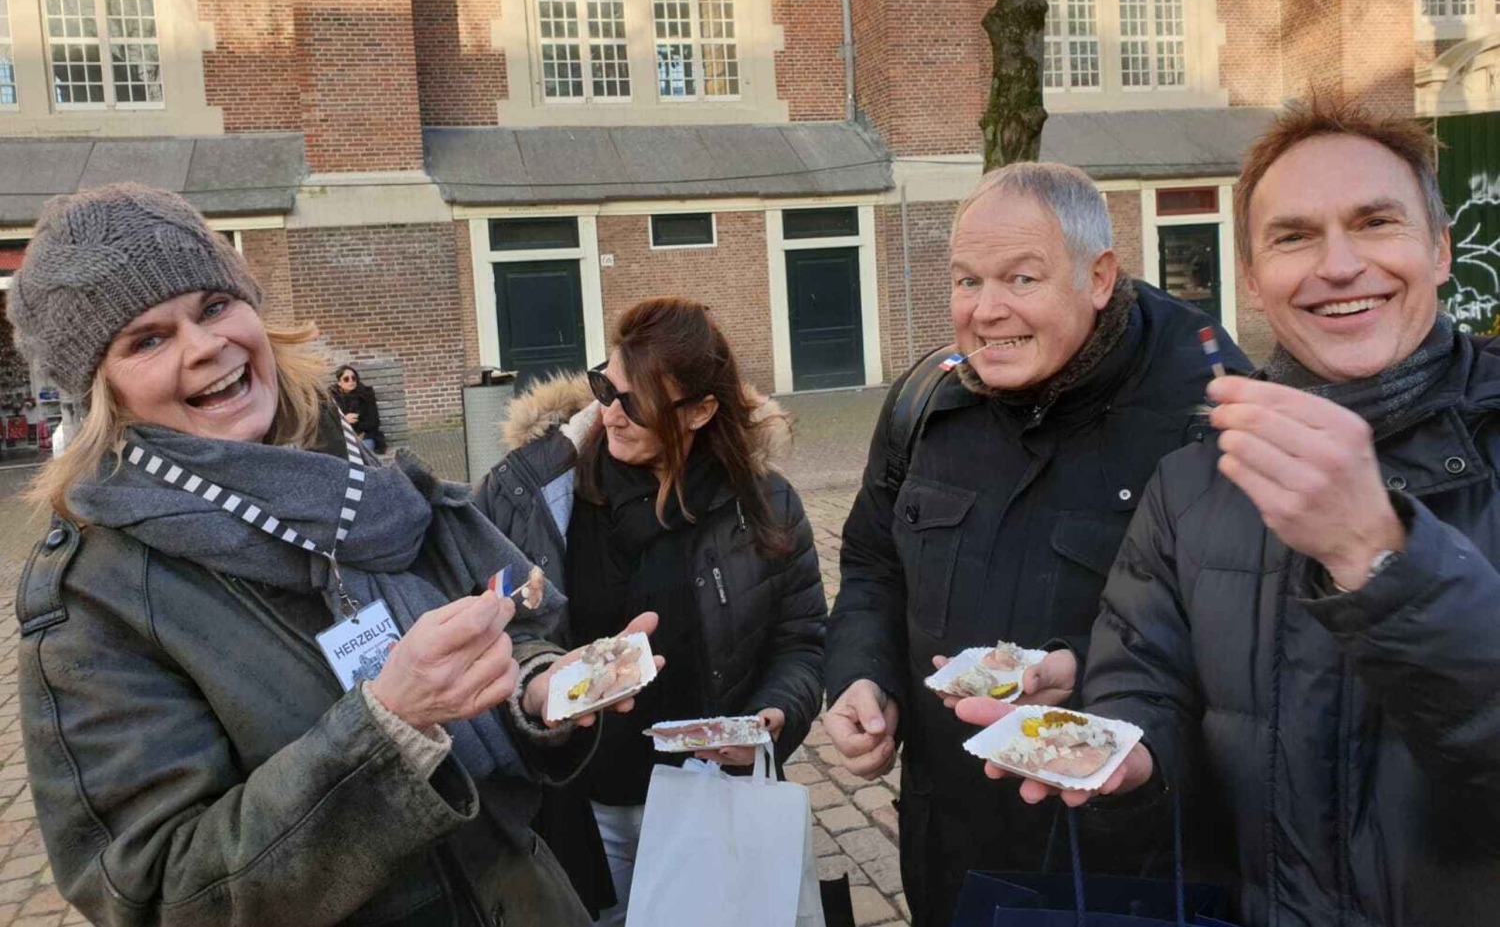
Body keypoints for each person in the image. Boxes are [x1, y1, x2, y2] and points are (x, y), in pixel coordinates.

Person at [7, 183, 659, 927]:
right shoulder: (93, 600)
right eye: (148, 340)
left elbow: (505, 628)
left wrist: (541, 687)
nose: (205, 345)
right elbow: (158, 894)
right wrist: (388, 727)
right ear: (99, 392)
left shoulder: (364, 479)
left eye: (213, 306)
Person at [961, 97, 1500, 926]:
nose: (1338, 264)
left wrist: (1379, 554)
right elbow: (1142, 678)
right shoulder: (1193, 480)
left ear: (1438, 249)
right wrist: (1128, 757)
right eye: (1293, 236)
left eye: (1375, 223)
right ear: (1252, 276)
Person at [823, 162, 1250, 927]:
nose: (987, 310)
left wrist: (1087, 677)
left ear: (1098, 277)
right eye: (967, 280)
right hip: (950, 852)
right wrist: (862, 673)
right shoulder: (926, 402)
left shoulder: (1207, 415)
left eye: (1021, 278)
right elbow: (872, 562)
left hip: (1128, 868)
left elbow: (1247, 644)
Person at [476, 297, 826, 924]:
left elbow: (801, 639)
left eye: (636, 403)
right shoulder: (535, 498)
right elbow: (489, 635)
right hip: (579, 807)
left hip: (708, 802)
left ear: (699, 411)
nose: (610, 412)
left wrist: (772, 719)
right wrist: (546, 683)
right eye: (604, 388)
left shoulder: (764, 505)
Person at [332, 363, 385, 452]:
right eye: (346, 379)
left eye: (353, 378)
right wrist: (344, 420)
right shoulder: (333, 398)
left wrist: (360, 433)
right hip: (343, 438)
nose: (351, 381)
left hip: (365, 436)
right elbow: (330, 423)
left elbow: (374, 422)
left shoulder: (366, 395)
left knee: (362, 450)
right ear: (339, 383)